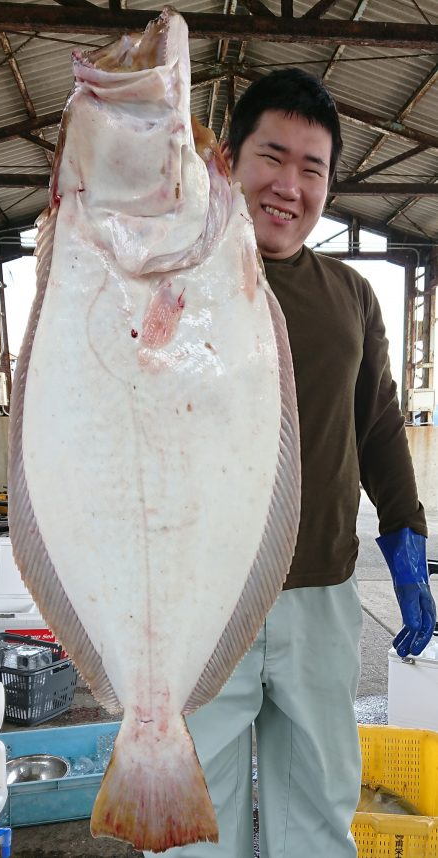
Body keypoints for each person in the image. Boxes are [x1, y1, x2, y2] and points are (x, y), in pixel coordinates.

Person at [146, 69, 437, 858]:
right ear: (229, 162)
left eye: (312, 167)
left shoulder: (349, 293)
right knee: (192, 825)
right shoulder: (171, 282)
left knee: (317, 809)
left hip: (322, 594)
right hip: (201, 606)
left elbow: (377, 421)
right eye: (272, 157)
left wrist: (407, 545)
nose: (289, 184)